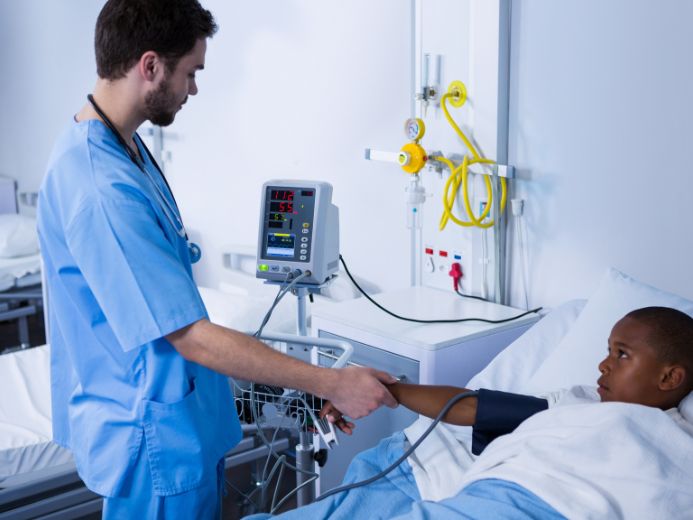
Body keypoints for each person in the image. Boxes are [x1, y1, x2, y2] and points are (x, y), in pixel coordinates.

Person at [36, 1, 396, 518]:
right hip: (152, 445)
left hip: (178, 425)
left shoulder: (126, 149)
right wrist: (330, 381)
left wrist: (303, 394)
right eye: (191, 72)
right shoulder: (99, 186)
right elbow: (190, 335)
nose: (194, 90)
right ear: (151, 66)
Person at [247, 306, 693, 519]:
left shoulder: (674, 443)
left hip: (540, 505)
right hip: (495, 485)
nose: (603, 364)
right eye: (607, 350)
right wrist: (394, 391)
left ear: (670, 379)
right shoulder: (577, 400)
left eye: (621, 355)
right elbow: (476, 407)